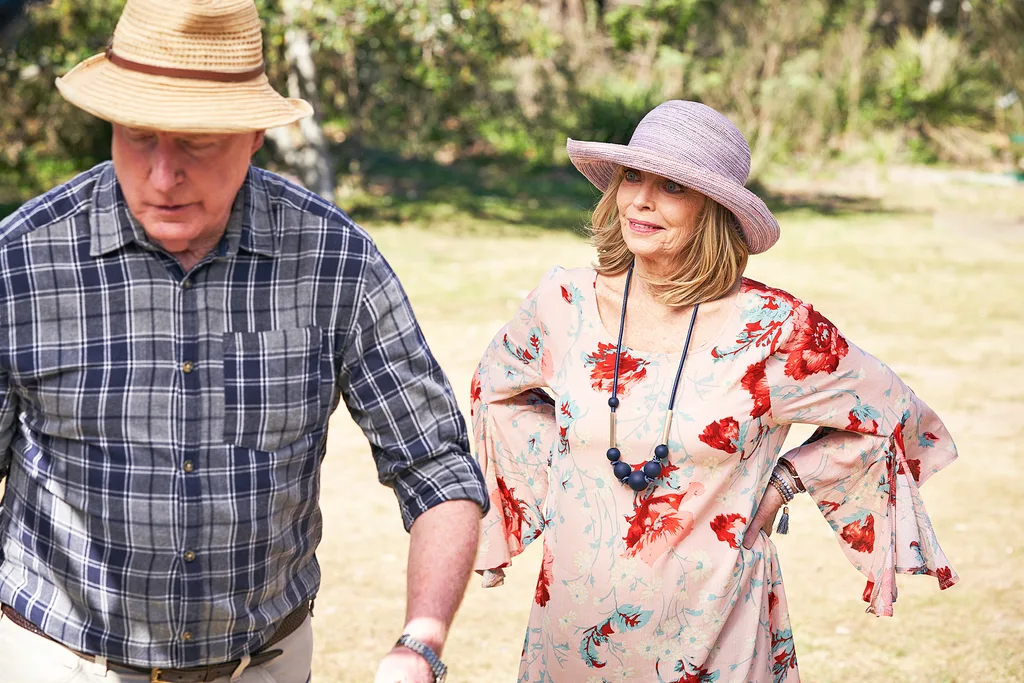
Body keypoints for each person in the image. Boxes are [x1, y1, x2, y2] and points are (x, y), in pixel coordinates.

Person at [0, 1, 486, 682]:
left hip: (264, 662)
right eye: (139, 136)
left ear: (254, 134)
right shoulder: (21, 262)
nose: (162, 174)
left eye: (195, 141)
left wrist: (421, 642)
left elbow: (436, 464)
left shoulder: (334, 261)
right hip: (60, 660)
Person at [470, 100, 958, 682]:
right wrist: (564, 463)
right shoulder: (563, 304)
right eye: (632, 177)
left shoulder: (773, 330)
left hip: (716, 627)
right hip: (572, 632)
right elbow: (496, 388)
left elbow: (894, 414)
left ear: (715, 210)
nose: (640, 200)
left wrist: (784, 482)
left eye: (672, 186)